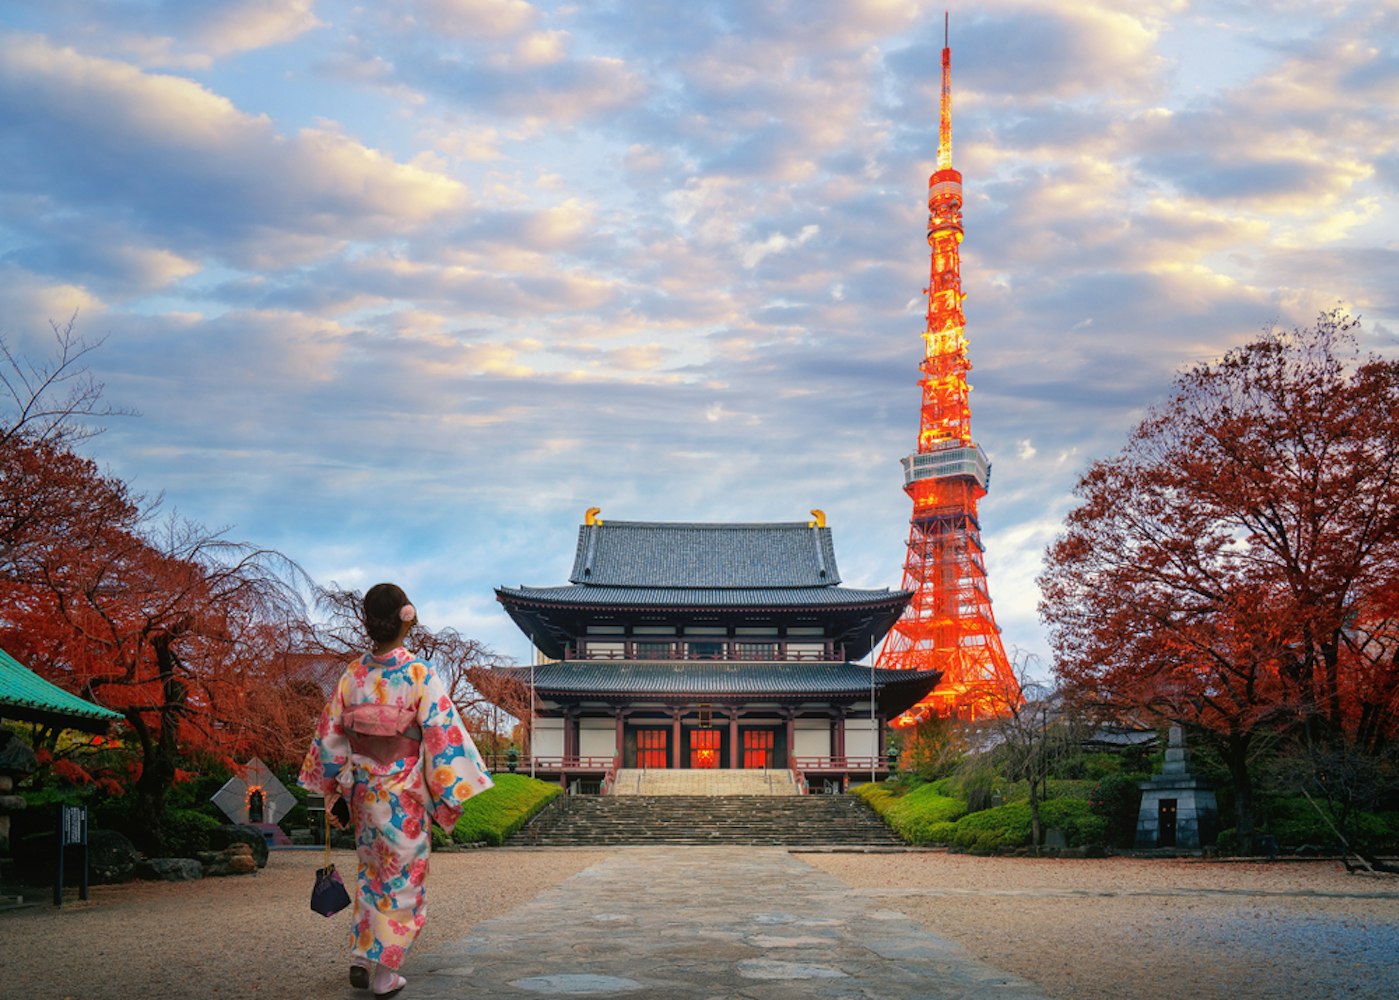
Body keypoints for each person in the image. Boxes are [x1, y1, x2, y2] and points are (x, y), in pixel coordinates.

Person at [300, 583, 493, 997]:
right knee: (402, 879)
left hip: (365, 792)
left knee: (372, 873)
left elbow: (331, 738)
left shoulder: (353, 674)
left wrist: (333, 787)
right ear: (407, 618)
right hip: (403, 794)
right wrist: (447, 793)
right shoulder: (417, 673)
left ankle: (360, 956)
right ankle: (385, 974)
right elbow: (442, 736)